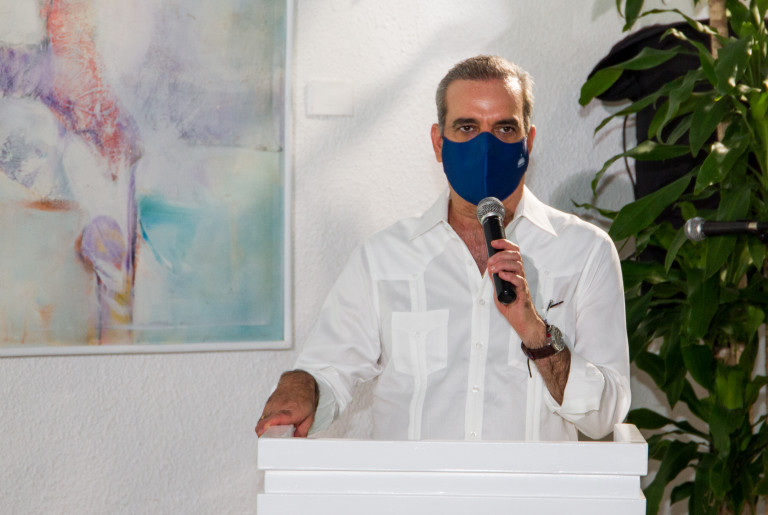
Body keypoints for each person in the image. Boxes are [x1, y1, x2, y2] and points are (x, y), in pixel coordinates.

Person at [256, 55, 630, 441]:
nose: (485, 146)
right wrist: (300, 386)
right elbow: (326, 371)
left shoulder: (585, 252)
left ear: (528, 142)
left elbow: (604, 417)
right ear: (439, 142)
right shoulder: (384, 258)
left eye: (504, 128)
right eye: (467, 127)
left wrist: (536, 333)